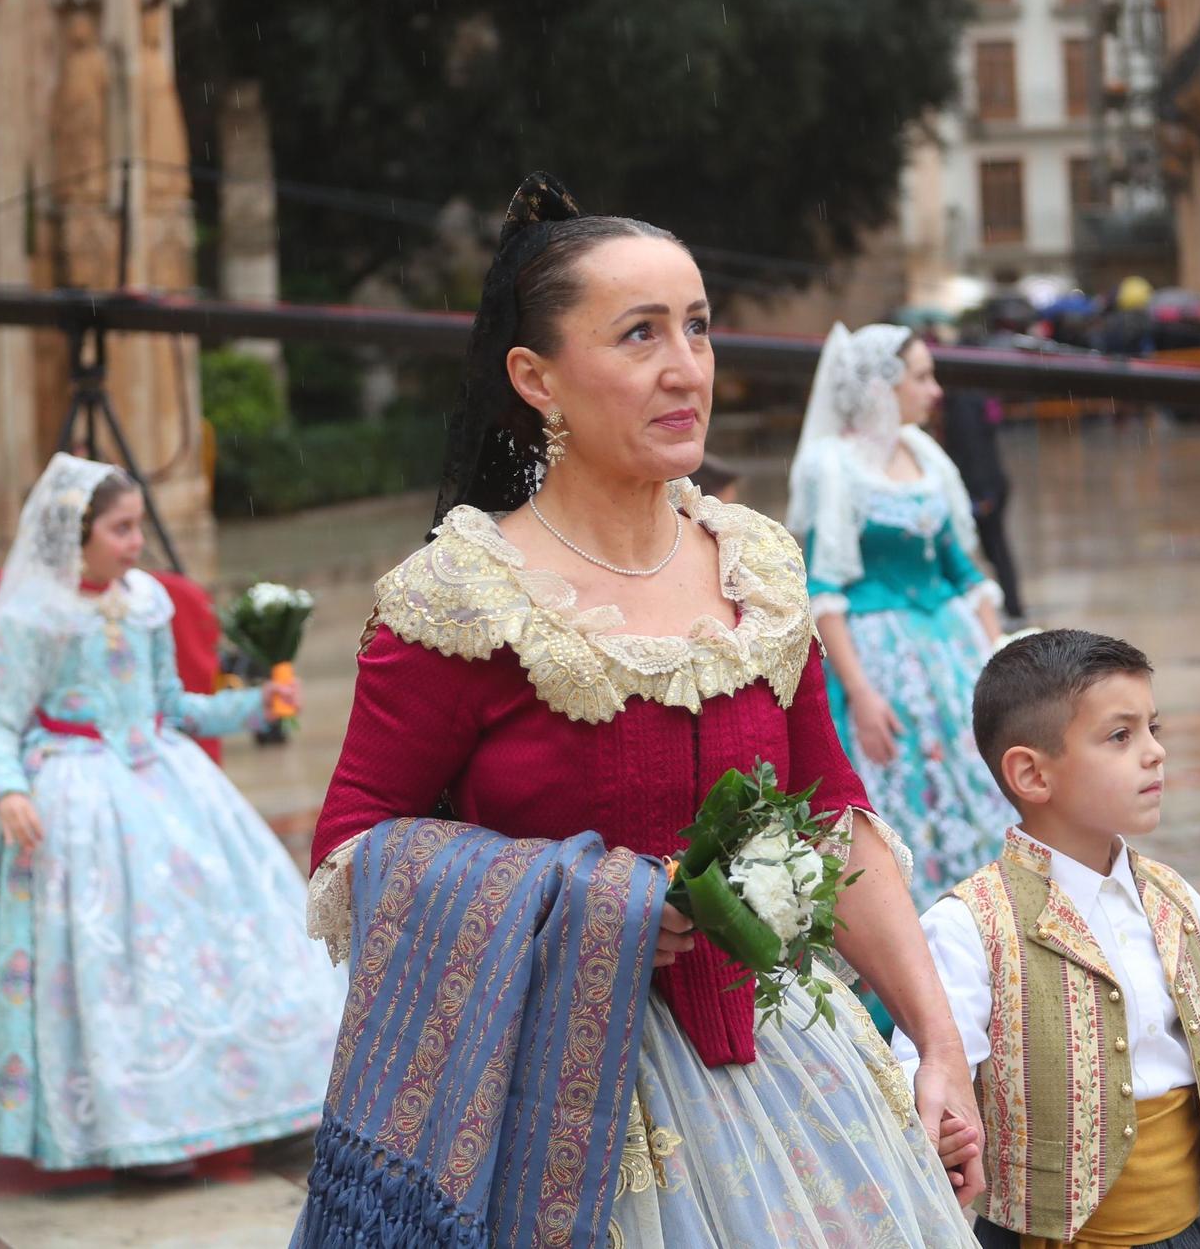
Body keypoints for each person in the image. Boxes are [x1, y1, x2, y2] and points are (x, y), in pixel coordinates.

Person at [296, 174, 981, 1247]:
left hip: (793, 1063)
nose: (685, 369)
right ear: (536, 377)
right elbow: (352, 853)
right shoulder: (461, 597)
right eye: (637, 335)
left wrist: (937, 1040)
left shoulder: (757, 564)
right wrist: (592, 895)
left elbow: (833, 818)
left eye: (698, 328)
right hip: (555, 1102)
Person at [0, 452, 343, 1174]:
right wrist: (8, 789)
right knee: (112, 955)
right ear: (76, 534)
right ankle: (141, 1125)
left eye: (135, 527)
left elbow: (171, 705)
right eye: (121, 529)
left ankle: (276, 1097)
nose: (135, 542)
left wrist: (254, 704)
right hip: (76, 790)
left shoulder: (147, 600)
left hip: (161, 776)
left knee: (224, 933)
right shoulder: (38, 612)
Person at [894, 630, 1200, 1249]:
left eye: (1153, 729)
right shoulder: (968, 926)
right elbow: (925, 1082)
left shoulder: (1179, 907)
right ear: (1031, 773)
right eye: (1121, 736)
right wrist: (941, 1132)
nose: (1155, 753)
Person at [786, 321, 1013, 913]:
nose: (934, 390)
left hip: (954, 653)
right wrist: (859, 693)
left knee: (983, 782)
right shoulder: (833, 466)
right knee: (902, 795)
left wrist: (999, 656)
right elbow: (824, 586)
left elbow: (962, 569)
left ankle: (991, 924)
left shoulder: (928, 455)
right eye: (921, 376)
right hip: (878, 661)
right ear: (883, 386)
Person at [940, 386, 1026, 621]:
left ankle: (1013, 606)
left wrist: (983, 495)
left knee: (995, 549)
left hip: (984, 490)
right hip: (991, 485)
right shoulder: (975, 398)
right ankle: (1012, 605)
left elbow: (973, 452)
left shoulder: (963, 405)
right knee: (995, 549)